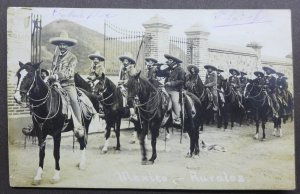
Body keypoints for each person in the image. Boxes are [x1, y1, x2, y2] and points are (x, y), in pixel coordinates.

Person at [48, 31, 84, 138]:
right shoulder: (56, 56)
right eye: (60, 44)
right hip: (54, 84)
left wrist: (56, 76)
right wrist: (51, 75)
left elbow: (69, 72)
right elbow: (52, 69)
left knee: (73, 99)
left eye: (64, 44)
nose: (62, 46)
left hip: (67, 84)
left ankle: (78, 124)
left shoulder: (73, 58)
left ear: (68, 45)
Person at [164, 54, 185, 125]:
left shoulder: (180, 70)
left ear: (175, 62)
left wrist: (171, 83)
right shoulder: (168, 69)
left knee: (174, 101)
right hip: (166, 89)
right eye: (168, 60)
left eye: (170, 60)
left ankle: (177, 118)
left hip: (175, 90)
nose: (168, 61)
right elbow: (161, 74)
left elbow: (182, 81)